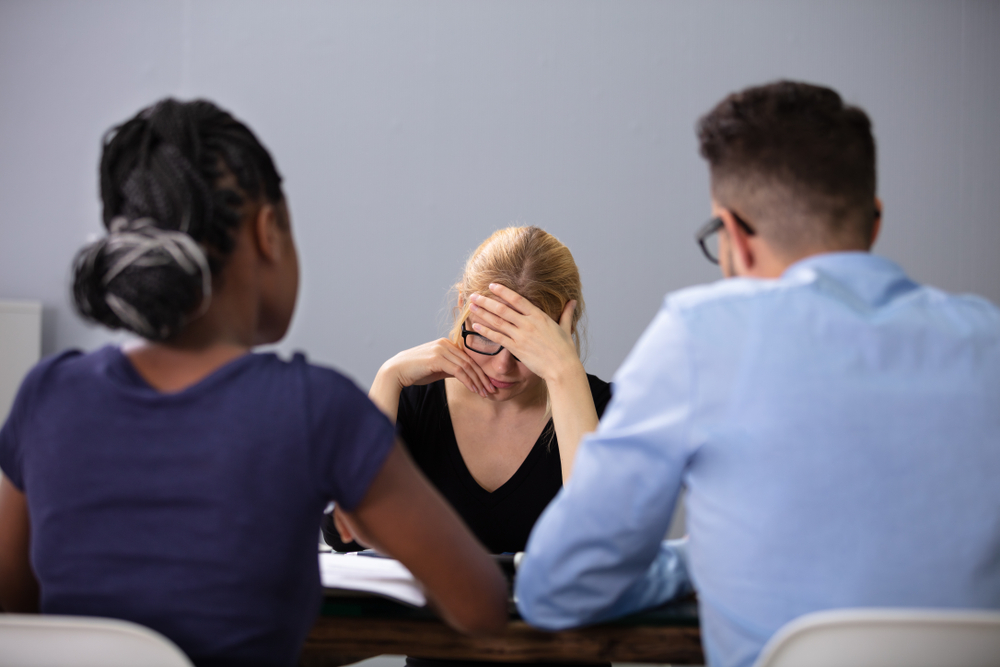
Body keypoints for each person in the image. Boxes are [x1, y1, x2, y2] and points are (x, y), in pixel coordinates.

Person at [0, 99, 507, 667]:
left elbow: (17, 617)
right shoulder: (314, 410)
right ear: (270, 232)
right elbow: (482, 606)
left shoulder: (47, 396)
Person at [512, 81, 1000, 667]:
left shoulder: (700, 334)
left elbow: (558, 588)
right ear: (873, 224)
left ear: (734, 238)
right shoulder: (987, 337)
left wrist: (697, 560)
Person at [325, 226, 612, 558]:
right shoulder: (413, 401)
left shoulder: (603, 409)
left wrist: (564, 372)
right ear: (462, 306)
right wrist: (387, 378)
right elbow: (344, 535)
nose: (503, 366)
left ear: (566, 329)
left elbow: (597, 545)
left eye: (528, 346)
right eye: (487, 336)